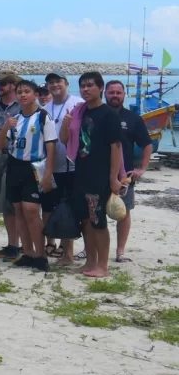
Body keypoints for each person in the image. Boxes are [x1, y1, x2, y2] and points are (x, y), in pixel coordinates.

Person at [62, 72, 121, 278]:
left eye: (90, 86)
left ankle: (102, 266)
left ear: (100, 88)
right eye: (82, 86)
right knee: (85, 220)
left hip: (99, 176)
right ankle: (90, 262)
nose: (86, 89)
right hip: (80, 173)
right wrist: (66, 123)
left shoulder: (108, 115)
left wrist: (114, 178)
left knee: (98, 221)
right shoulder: (80, 112)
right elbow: (65, 139)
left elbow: (116, 147)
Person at [0, 80, 56, 272]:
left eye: (27, 91)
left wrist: (48, 174)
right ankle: (28, 253)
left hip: (34, 167)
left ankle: (41, 254)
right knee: (18, 210)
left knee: (31, 210)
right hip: (15, 167)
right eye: (19, 92)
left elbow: (51, 147)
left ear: (35, 95)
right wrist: (6, 127)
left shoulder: (43, 117)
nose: (22, 95)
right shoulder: (15, 118)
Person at [105, 80, 151, 263]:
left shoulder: (133, 118)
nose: (115, 95)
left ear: (124, 95)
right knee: (95, 212)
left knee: (124, 212)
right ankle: (89, 248)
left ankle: (120, 251)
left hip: (124, 176)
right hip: (99, 172)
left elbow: (147, 144)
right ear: (105, 94)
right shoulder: (96, 115)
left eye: (118, 92)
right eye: (111, 92)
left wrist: (142, 168)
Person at [41, 71, 82, 264]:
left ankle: (67, 252)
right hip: (50, 165)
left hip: (72, 166)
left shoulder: (78, 104)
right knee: (48, 206)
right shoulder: (45, 108)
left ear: (66, 83)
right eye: (51, 82)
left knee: (69, 208)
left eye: (58, 81)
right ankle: (50, 243)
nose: (54, 85)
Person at [0, 71, 22, 262]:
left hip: (14, 155)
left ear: (13, 85)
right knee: (0, 201)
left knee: (12, 203)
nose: (1, 87)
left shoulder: (22, 105)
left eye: (5, 83)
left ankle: (17, 245)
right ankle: (12, 244)